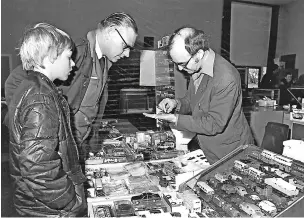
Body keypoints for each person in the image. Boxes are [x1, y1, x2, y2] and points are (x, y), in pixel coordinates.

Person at [5, 12, 138, 153]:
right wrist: (35, 131)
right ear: (110, 32)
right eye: (125, 46)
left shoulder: (104, 62)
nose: (127, 54)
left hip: (76, 147)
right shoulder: (75, 51)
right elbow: (14, 81)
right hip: (53, 150)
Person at [8, 23, 86, 217]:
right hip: (48, 209)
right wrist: (69, 200)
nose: (73, 64)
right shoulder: (40, 97)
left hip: (36, 204)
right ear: (51, 56)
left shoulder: (31, 86)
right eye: (68, 56)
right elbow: (37, 167)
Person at [144, 27, 254, 164]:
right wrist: (176, 103)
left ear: (199, 54)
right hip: (208, 148)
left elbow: (214, 123)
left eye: (182, 63)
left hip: (230, 152)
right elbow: (192, 100)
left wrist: (175, 119)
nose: (179, 69)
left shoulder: (226, 77)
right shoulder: (197, 67)